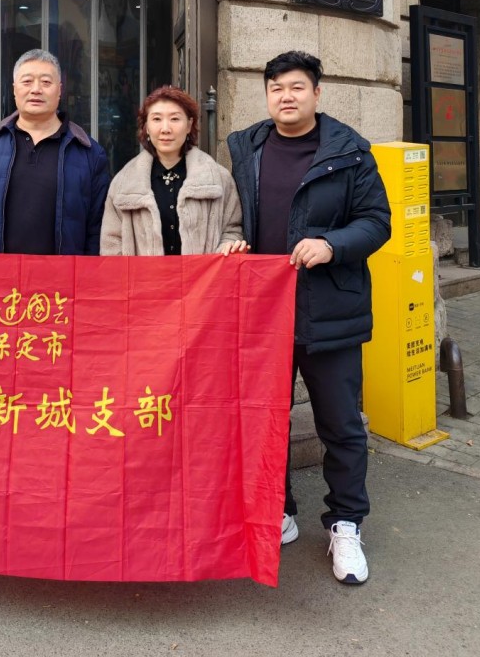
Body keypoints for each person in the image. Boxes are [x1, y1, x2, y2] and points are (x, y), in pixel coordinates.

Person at [227, 51, 390, 585]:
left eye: (297, 87)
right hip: (263, 314)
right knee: (265, 420)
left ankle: (346, 524)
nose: (286, 96)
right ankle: (279, 510)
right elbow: (235, 216)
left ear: (317, 93)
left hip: (329, 312)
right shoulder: (246, 147)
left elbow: (377, 222)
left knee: (340, 426)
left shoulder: (349, 151)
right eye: (276, 88)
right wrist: (235, 240)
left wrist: (331, 244)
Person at [0, 49, 109, 255]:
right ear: (14, 89)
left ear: (60, 90)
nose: (36, 89)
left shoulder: (90, 153)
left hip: (63, 274)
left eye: (46, 82)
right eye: (27, 81)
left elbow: (98, 229)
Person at [100, 86, 247, 257]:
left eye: (175, 119)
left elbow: (232, 230)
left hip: (203, 275)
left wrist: (228, 247)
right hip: (143, 276)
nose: (165, 129)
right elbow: (111, 245)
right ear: (146, 126)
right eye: (156, 119)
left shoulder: (218, 179)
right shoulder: (124, 183)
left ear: (189, 125)